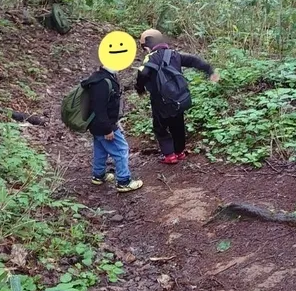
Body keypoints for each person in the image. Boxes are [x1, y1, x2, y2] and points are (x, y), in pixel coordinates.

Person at [135, 29, 219, 164]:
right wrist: (210, 70)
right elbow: (193, 61)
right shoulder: (174, 54)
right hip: (177, 98)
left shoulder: (151, 58)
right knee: (178, 124)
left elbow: (143, 73)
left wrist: (140, 88)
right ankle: (179, 152)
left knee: (160, 127)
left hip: (160, 100)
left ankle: (169, 155)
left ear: (146, 46)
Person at [82, 62, 143, 192]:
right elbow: (100, 108)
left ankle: (98, 175)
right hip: (104, 124)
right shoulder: (103, 82)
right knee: (121, 149)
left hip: (96, 124)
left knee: (101, 150)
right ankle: (124, 181)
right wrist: (108, 129)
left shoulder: (100, 77)